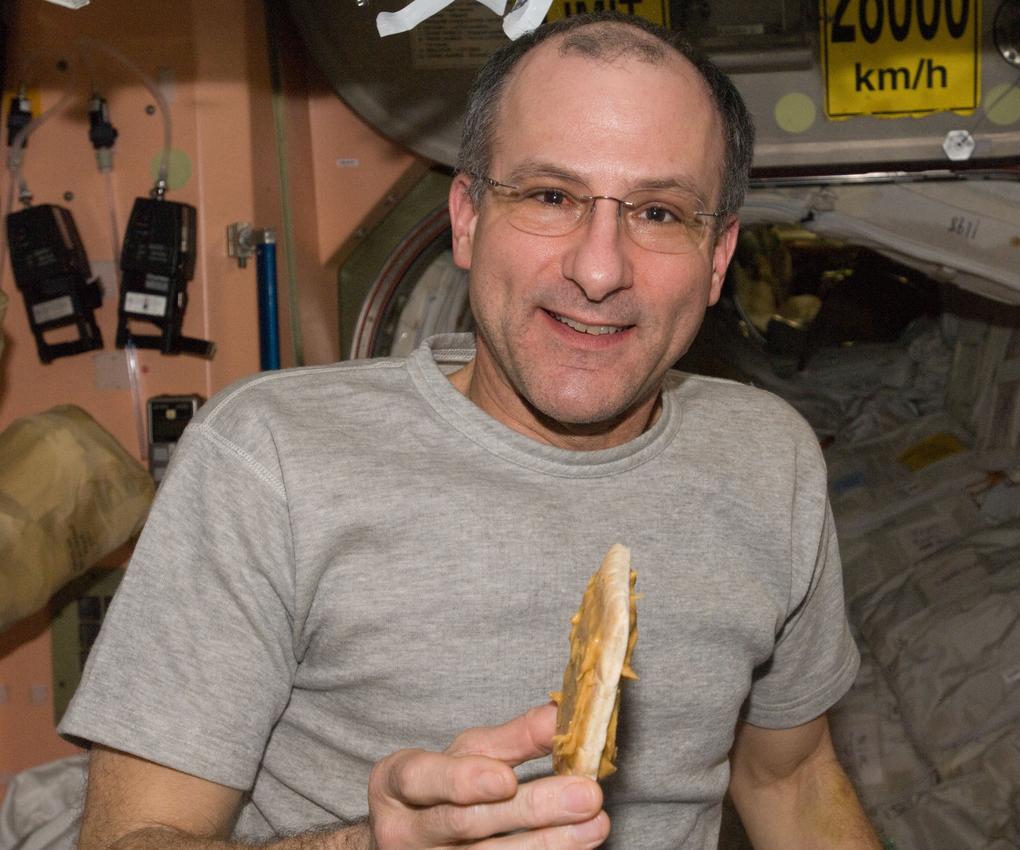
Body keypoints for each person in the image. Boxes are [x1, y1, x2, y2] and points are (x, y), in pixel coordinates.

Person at [62, 12, 879, 850]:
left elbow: (790, 777)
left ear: (717, 258)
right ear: (465, 217)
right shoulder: (270, 458)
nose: (599, 270)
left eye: (661, 213)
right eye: (551, 197)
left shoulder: (769, 459)